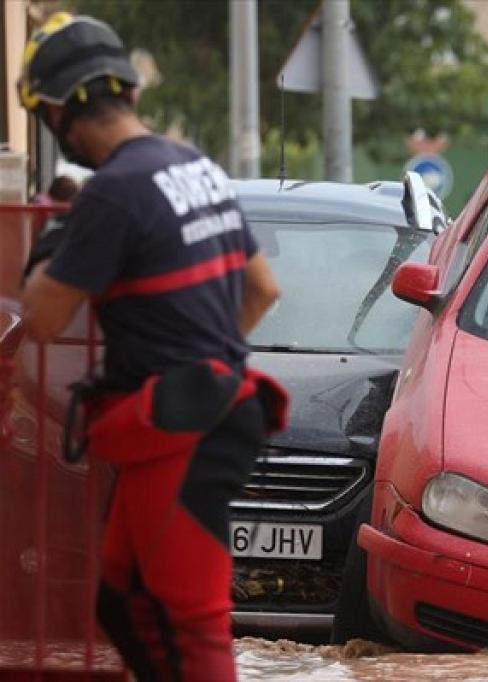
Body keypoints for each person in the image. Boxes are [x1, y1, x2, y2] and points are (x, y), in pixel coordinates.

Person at [17, 13, 286, 680]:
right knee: (123, 599)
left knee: (193, 626)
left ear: (57, 115)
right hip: (200, 410)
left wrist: (57, 242)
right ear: (130, 90)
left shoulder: (113, 193)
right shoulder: (196, 167)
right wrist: (207, 356)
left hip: (182, 429)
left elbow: (42, 318)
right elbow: (262, 289)